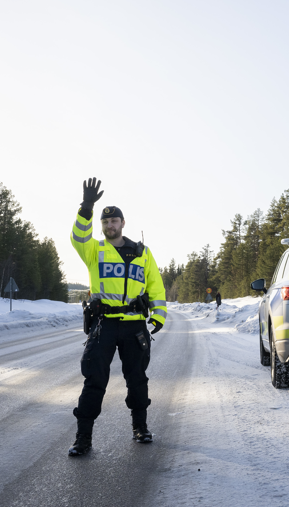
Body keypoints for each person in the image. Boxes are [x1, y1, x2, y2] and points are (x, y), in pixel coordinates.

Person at [68, 177, 167, 457]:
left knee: (137, 379)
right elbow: (78, 236)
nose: (110, 226)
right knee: (95, 380)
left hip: (134, 325)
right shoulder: (94, 250)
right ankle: (83, 439)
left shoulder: (142, 253)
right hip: (104, 325)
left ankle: (140, 428)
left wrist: (158, 316)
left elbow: (155, 287)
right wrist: (86, 208)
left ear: (123, 223)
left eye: (114, 221)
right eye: (105, 223)